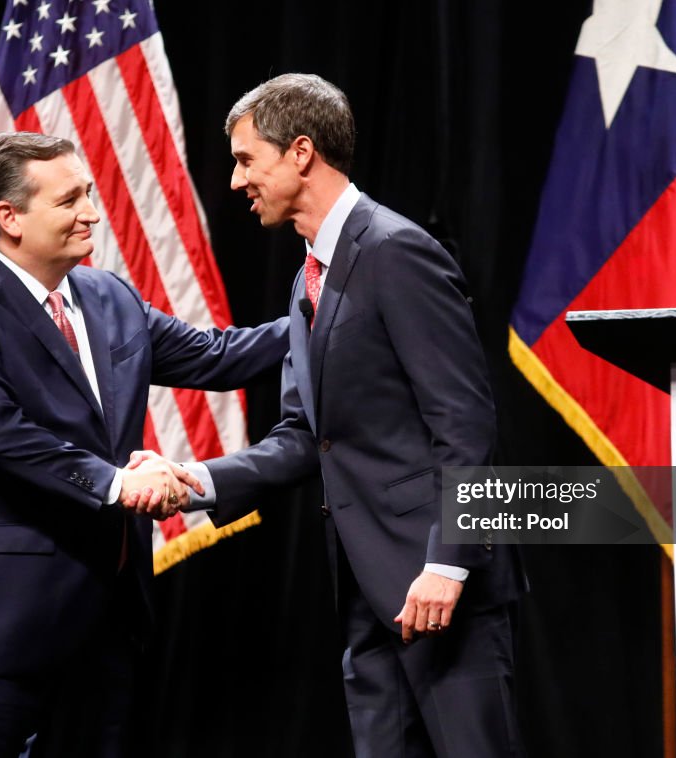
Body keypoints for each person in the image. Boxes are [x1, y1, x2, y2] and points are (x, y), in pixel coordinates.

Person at [0, 131, 289, 757]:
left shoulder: (109, 296)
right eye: (69, 200)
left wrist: (320, 306)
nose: (92, 211)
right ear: (9, 218)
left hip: (102, 628)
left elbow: (219, 357)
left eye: (88, 193)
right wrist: (116, 482)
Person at [182, 74, 526, 756]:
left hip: (439, 589)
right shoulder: (308, 276)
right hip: (370, 595)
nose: (235, 181)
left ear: (301, 152)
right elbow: (308, 438)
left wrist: (448, 566)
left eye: (247, 159)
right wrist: (199, 480)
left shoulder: (395, 251)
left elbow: (465, 423)